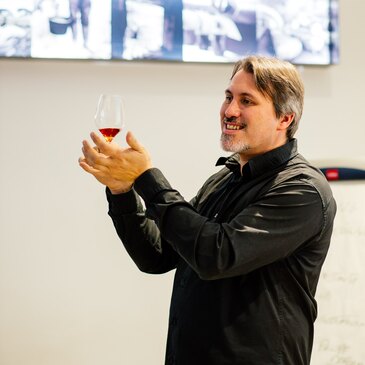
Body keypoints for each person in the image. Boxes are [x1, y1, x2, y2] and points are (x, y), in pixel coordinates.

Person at [79, 55, 336, 365]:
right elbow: (156, 255)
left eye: (247, 101)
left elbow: (217, 255)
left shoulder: (302, 190)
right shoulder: (224, 179)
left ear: (285, 119)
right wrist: (122, 191)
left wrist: (146, 177)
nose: (229, 111)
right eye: (228, 97)